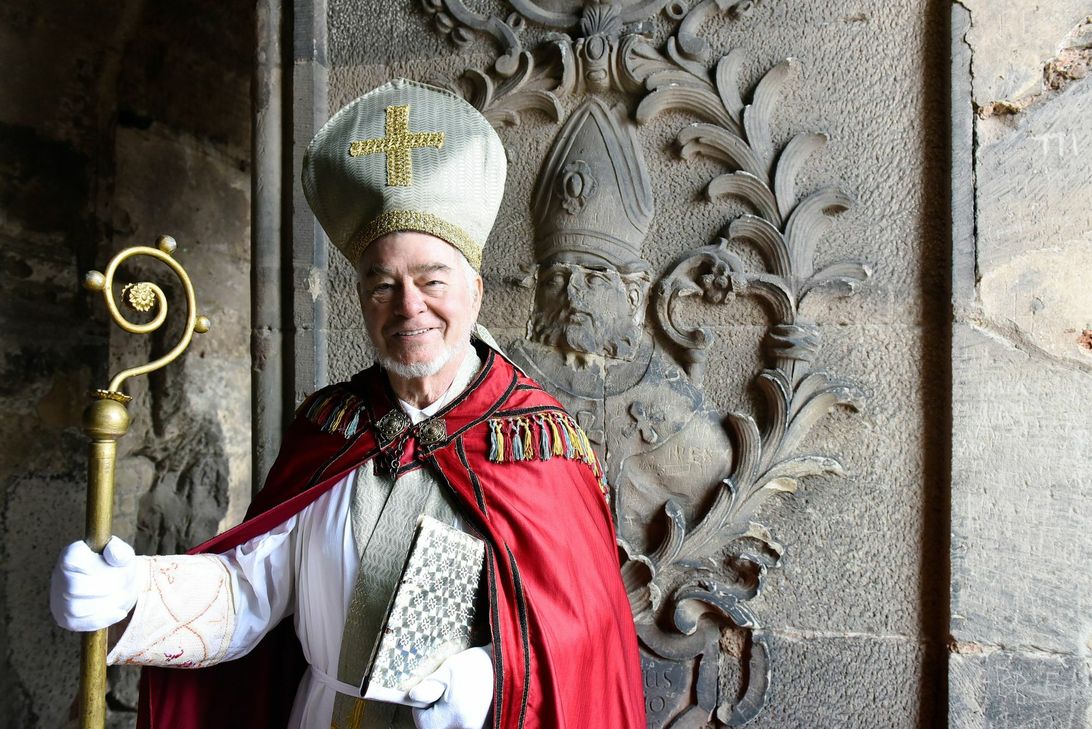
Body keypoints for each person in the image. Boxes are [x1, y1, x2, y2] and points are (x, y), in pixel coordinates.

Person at [50, 78, 646, 729]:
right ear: (362, 298)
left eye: (431, 280)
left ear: (474, 291)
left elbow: (586, 640)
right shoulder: (331, 428)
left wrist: (487, 682)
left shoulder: (536, 444)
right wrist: (133, 593)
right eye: (382, 283)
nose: (408, 306)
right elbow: (251, 591)